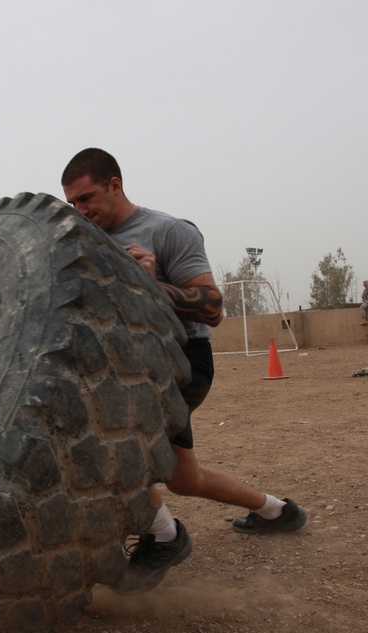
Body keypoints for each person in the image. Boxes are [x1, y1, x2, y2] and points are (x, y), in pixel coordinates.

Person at [61, 148, 306, 594]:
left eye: (87, 197)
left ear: (115, 184)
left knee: (107, 452)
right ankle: (277, 510)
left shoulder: (168, 231)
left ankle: (165, 537)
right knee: (183, 478)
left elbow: (212, 308)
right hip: (118, 367)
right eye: (73, 203)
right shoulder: (82, 240)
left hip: (178, 361)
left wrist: (150, 284)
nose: (82, 210)